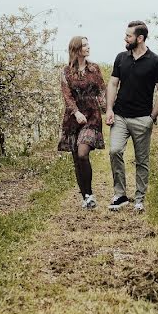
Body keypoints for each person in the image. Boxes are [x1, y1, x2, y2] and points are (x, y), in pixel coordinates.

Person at [105, 21, 158, 213]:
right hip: (121, 116)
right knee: (115, 151)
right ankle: (120, 194)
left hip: (142, 118)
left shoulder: (155, 62)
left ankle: (139, 199)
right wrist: (109, 109)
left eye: (129, 36)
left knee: (142, 161)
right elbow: (113, 84)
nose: (125, 39)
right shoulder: (121, 58)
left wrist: (152, 117)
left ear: (140, 38)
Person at [59, 36, 107, 209]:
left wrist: (108, 111)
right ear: (76, 49)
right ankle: (86, 196)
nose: (88, 47)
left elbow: (101, 91)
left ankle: (89, 194)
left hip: (92, 116)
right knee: (76, 160)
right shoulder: (66, 71)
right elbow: (67, 95)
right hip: (73, 118)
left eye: (88, 44)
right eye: (84, 45)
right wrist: (76, 112)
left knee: (82, 154)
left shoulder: (94, 69)